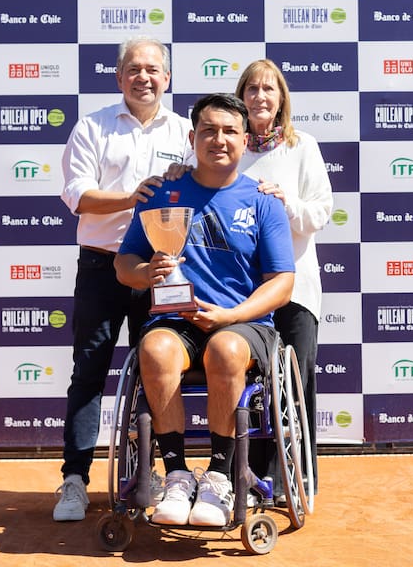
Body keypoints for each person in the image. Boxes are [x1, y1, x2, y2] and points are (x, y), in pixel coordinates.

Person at [114, 93, 295, 527]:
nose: (219, 139)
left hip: (243, 324)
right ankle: (176, 474)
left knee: (226, 351)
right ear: (192, 137)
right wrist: (147, 272)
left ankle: (218, 476)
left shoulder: (264, 200)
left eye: (230, 131)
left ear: (245, 139)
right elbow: (124, 265)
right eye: (209, 131)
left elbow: (283, 283)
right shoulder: (163, 192)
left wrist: (231, 317)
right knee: (154, 349)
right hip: (175, 321)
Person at [54, 36, 192, 522]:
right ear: (119, 77)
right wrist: (132, 197)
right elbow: (77, 196)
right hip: (101, 265)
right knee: (89, 373)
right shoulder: (93, 127)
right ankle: (73, 480)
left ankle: (150, 473)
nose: (144, 77)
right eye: (134, 69)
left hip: (158, 268)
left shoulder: (185, 132)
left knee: (156, 373)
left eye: (153, 69)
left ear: (167, 78)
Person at [235, 59, 333, 501]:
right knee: (251, 387)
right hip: (242, 290)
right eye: (252, 88)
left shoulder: (302, 146)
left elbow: (320, 213)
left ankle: (301, 478)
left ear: (281, 98)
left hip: (295, 289)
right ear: (241, 97)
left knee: (295, 383)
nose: (260, 96)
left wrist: (285, 202)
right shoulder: (226, 147)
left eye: (269, 89)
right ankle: (253, 479)